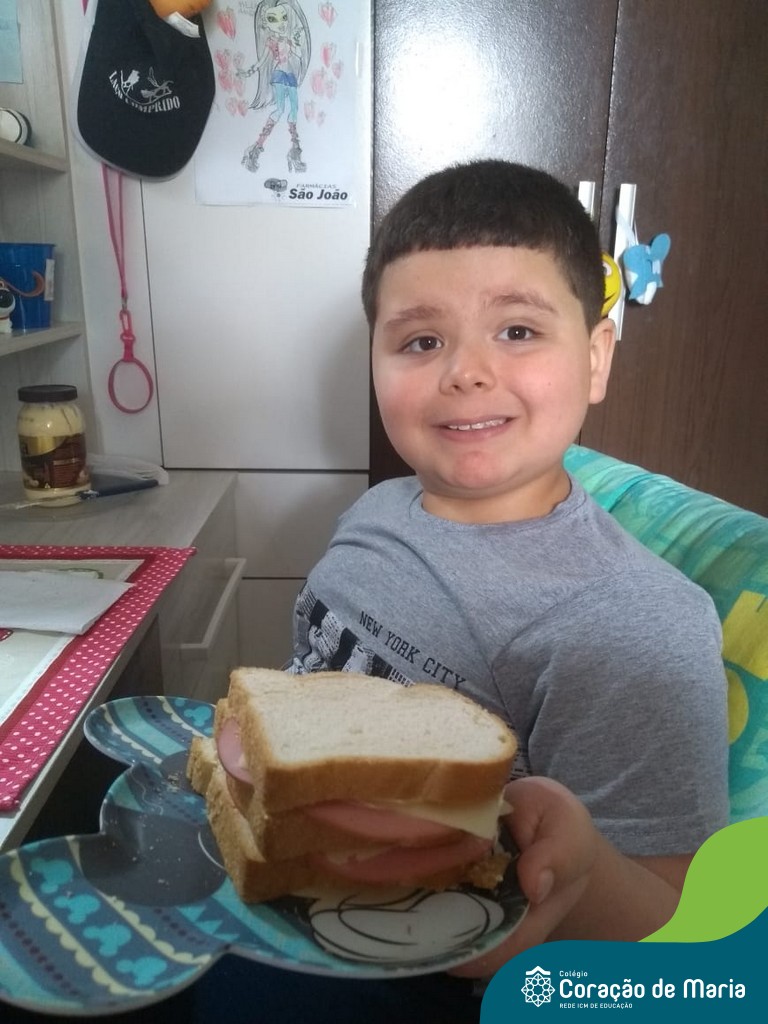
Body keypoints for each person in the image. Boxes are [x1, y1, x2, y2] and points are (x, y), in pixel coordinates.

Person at [286, 159, 730, 973]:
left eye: (518, 331)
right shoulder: (377, 509)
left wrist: (582, 871)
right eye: (421, 341)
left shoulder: (640, 628)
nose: (466, 371)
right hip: (281, 908)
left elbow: (679, 935)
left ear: (596, 358)